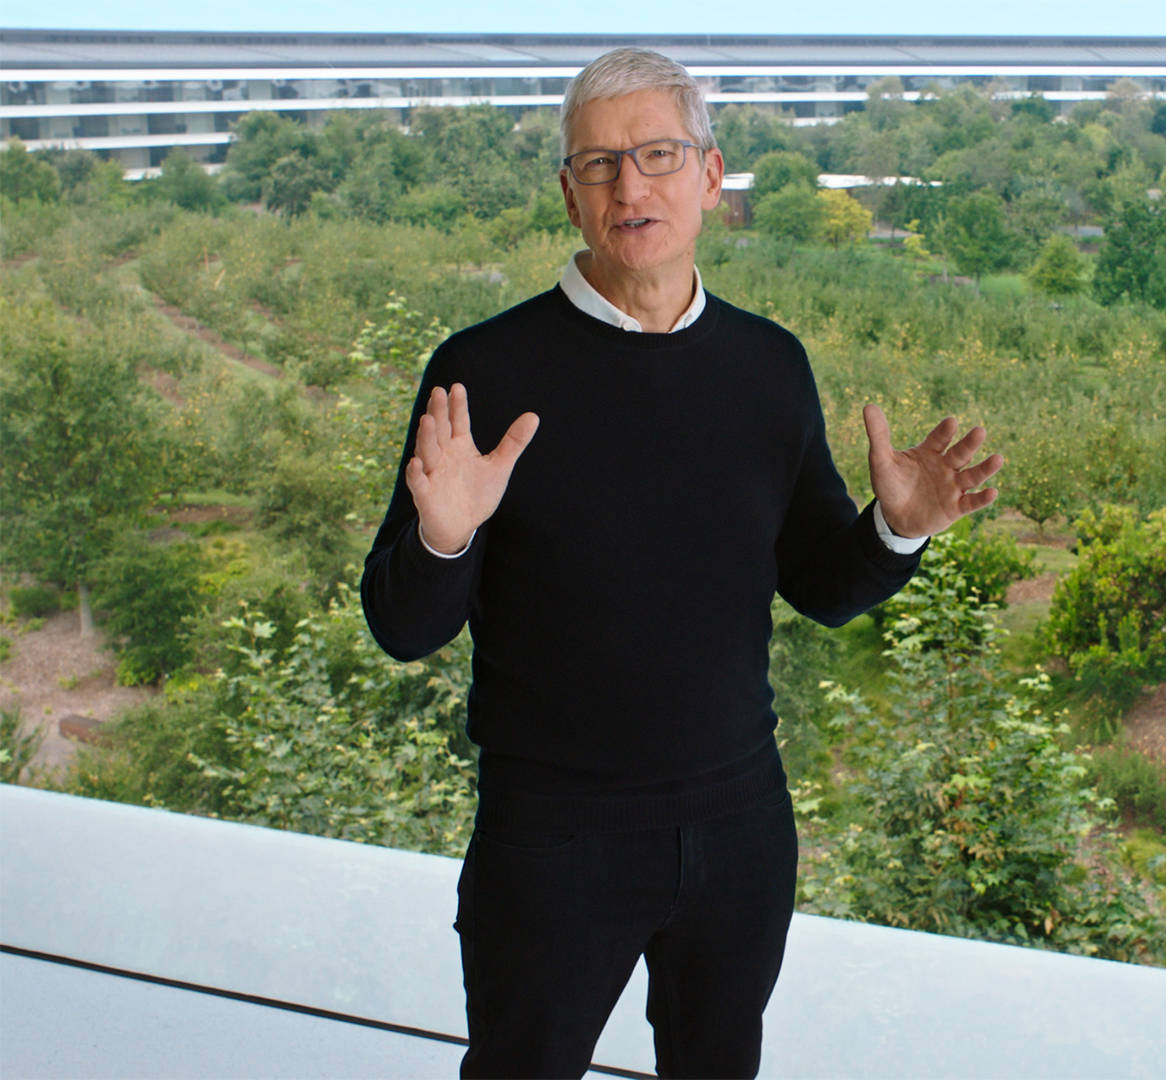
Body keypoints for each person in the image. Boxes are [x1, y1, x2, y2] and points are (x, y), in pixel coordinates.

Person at [360, 47, 1003, 1079]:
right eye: (601, 165)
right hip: (553, 835)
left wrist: (898, 531)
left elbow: (821, 586)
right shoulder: (484, 369)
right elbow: (401, 627)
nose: (631, 186)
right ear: (568, 195)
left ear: (710, 178)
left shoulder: (768, 366)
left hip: (741, 822)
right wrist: (447, 536)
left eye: (658, 154)